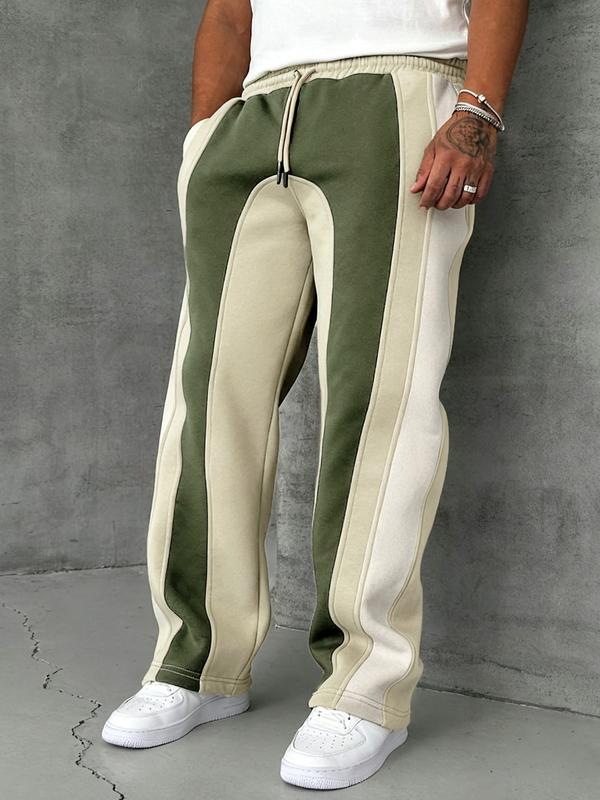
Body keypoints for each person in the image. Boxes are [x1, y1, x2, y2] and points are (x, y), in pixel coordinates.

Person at [102, 0, 528, 789]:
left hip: (397, 91)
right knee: (209, 399)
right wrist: (205, 137)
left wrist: (476, 112)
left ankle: (365, 689)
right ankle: (197, 663)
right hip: (255, 111)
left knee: (379, 396)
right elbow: (230, 12)